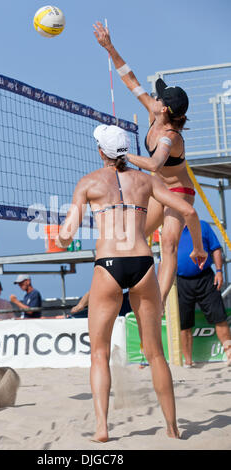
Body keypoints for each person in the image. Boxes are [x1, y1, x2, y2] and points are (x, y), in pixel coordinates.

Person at [56, 123, 207, 442]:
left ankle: (102, 428)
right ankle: (172, 427)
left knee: (99, 353)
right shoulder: (146, 179)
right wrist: (198, 247)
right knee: (155, 354)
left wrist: (66, 232)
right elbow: (188, 211)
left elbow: (66, 235)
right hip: (142, 263)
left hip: (108, 265)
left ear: (101, 151)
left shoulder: (88, 182)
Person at [93, 22, 195, 312]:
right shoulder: (154, 110)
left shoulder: (170, 137)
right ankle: (116, 290)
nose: (155, 95)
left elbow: (153, 163)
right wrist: (109, 47)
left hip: (180, 191)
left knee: (170, 246)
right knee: (132, 238)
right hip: (159, 188)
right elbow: (129, 78)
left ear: (165, 108)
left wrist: (121, 154)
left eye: (160, 96)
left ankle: (158, 305)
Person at [177, 220, 231, 367]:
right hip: (181, 281)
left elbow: (216, 249)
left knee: (219, 316)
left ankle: (229, 353)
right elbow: (165, 259)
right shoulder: (171, 229)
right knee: (184, 323)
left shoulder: (203, 226)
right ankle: (188, 361)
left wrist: (219, 271)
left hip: (206, 278)